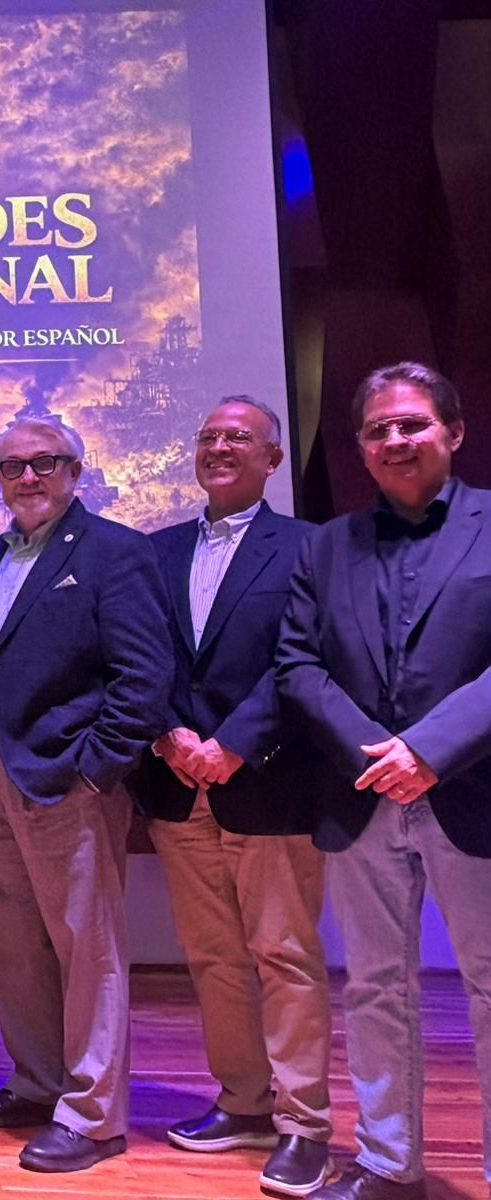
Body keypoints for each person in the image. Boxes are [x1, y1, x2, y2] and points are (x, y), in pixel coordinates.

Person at [278, 362, 491, 1200]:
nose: (395, 440)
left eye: (412, 424)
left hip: (473, 793)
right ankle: (387, 1162)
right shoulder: (326, 544)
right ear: (361, 448)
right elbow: (297, 663)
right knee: (374, 989)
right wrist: (379, 755)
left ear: (454, 432)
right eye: (378, 430)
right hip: (363, 798)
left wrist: (430, 749)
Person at [0, 417, 170, 1173]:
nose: (27, 478)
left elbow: (144, 679)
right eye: (12, 467)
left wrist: (94, 770)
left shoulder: (116, 551)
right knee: (13, 942)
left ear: (75, 471)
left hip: (67, 780)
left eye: (44, 464)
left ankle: (92, 1113)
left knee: (89, 949)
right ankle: (39, 1081)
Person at [141, 397, 332, 1197]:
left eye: (238, 438)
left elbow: (305, 658)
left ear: (272, 460)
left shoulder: (311, 548)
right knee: (215, 959)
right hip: (178, 785)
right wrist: (168, 736)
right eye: (208, 436)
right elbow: (135, 656)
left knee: (284, 957)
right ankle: (245, 1101)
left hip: (270, 783)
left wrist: (233, 743)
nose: (219, 447)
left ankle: (303, 1126)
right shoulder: (156, 551)